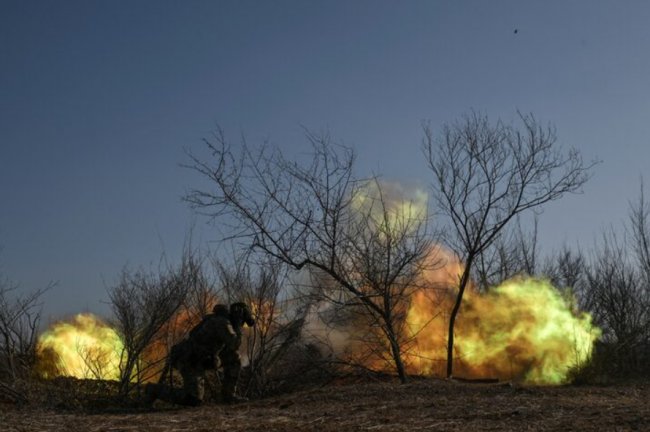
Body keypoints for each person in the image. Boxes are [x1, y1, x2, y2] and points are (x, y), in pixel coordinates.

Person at [148, 302, 255, 406]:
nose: (242, 323)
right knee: (193, 399)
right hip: (189, 359)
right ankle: (153, 390)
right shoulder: (222, 322)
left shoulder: (221, 320)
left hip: (201, 358)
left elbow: (229, 349)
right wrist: (237, 326)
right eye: (242, 321)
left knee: (233, 357)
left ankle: (229, 396)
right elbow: (234, 344)